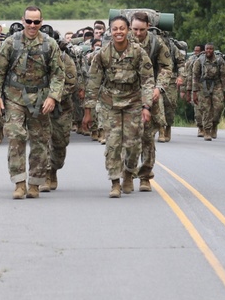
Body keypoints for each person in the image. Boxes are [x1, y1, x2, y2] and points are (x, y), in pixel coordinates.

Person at [0, 7, 66, 199]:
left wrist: (53, 97)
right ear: (23, 20)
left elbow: (58, 74)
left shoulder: (50, 45)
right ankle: (19, 182)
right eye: (29, 21)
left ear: (42, 22)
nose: (32, 26)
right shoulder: (10, 43)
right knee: (16, 137)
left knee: (40, 142)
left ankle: (35, 182)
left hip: (40, 99)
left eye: (36, 22)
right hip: (14, 97)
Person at [82, 15, 155, 198]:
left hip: (133, 102)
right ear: (110, 31)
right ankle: (115, 182)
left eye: (122, 28)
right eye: (115, 29)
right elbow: (93, 83)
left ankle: (129, 173)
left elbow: (147, 80)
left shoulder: (138, 52)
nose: (119, 32)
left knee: (132, 144)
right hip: (110, 103)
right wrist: (88, 112)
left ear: (128, 30)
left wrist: (147, 106)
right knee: (113, 144)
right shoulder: (102, 54)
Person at [129, 11, 173, 192]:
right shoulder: (123, 41)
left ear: (148, 26)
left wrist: (158, 87)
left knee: (147, 138)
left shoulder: (157, 44)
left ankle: (145, 176)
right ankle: (127, 174)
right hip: (128, 96)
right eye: (134, 29)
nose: (137, 33)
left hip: (150, 94)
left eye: (141, 29)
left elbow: (167, 67)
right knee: (129, 138)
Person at [41, 35, 80, 192]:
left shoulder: (65, 59)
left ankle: (54, 168)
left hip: (61, 108)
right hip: (39, 107)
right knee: (41, 141)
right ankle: (45, 174)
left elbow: (71, 83)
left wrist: (53, 96)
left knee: (60, 143)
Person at [192, 43, 225, 142]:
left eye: (211, 49)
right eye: (207, 49)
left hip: (216, 85)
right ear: (204, 50)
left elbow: (224, 76)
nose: (209, 51)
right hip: (203, 85)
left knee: (219, 107)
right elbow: (195, 77)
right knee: (205, 109)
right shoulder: (199, 60)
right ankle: (207, 131)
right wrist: (194, 92)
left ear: (213, 50)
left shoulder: (219, 60)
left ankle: (215, 124)